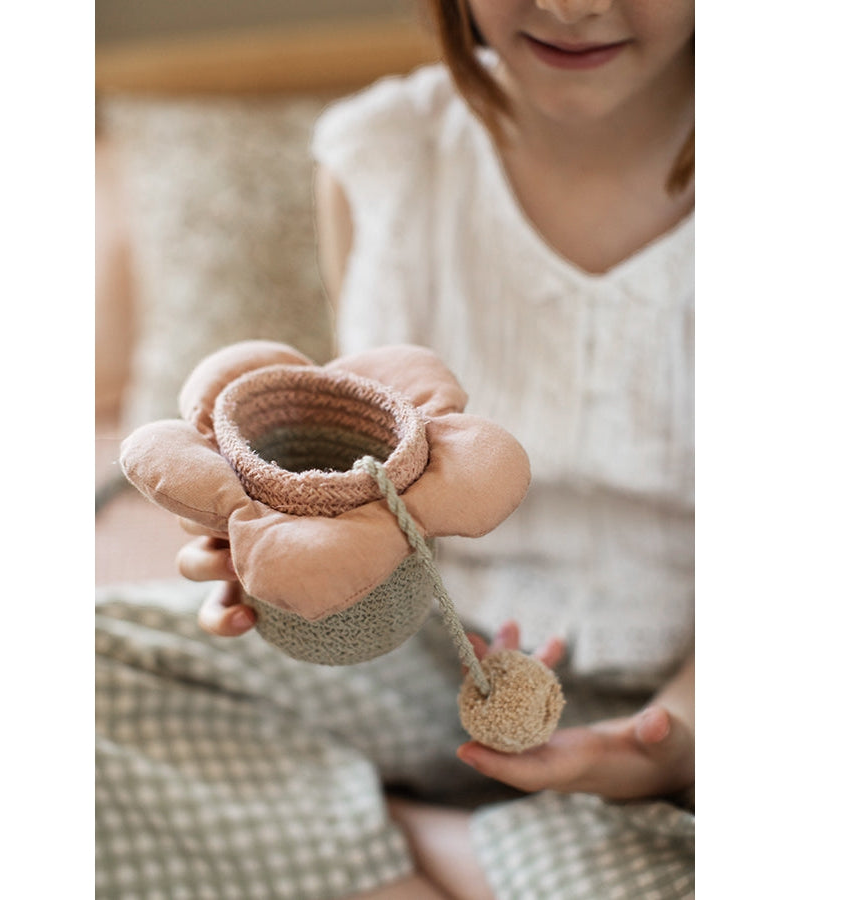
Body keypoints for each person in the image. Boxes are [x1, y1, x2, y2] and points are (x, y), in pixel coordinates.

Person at [98, 1, 694, 897]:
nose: (572, 5)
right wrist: (296, 555)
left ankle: (397, 840)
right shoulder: (380, 154)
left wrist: (670, 746)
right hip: (423, 646)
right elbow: (371, 447)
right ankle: (480, 852)